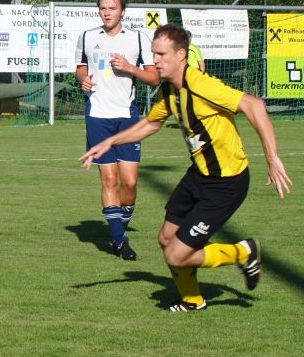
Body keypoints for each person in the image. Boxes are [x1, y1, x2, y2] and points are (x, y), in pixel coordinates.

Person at [79, 24, 292, 312]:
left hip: (226, 182)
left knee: (176, 255)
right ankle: (193, 300)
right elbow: (151, 124)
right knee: (166, 239)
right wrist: (110, 142)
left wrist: (272, 158)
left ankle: (243, 252)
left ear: (181, 55)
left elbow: (254, 105)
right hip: (199, 176)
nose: (155, 60)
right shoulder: (169, 88)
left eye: (161, 54)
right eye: (153, 54)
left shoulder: (200, 84)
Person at [75, 0, 160, 260]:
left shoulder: (138, 38)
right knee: (109, 179)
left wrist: (130, 68)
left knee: (130, 184)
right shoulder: (88, 37)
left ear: (123, 10)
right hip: (98, 117)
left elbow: (154, 78)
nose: (107, 13)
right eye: (102, 8)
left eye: (112, 8)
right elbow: (81, 67)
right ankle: (120, 242)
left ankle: (117, 230)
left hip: (127, 117)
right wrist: (83, 79)